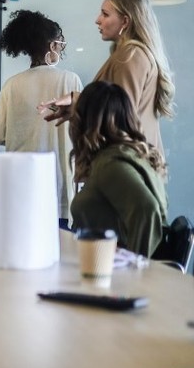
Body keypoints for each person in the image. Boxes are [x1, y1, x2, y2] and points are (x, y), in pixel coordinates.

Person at [41, 0, 175, 154]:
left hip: (127, 164)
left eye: (105, 14)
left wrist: (78, 101)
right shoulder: (131, 54)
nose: (98, 20)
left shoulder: (130, 55)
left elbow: (121, 115)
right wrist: (77, 106)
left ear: (125, 22)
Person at [0, 10, 83, 224]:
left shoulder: (11, 85)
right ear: (52, 46)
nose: (61, 48)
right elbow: (84, 130)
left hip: (21, 187)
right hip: (59, 189)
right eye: (60, 43)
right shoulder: (70, 81)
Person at [68, 81, 167, 256]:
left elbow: (147, 209)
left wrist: (135, 266)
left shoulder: (110, 164)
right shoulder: (129, 155)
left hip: (109, 272)